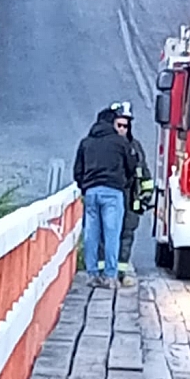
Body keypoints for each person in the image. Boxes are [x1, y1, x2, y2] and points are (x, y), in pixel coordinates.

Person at [74, 106, 138, 288]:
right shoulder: (120, 143)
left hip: (91, 193)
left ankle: (92, 275)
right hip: (113, 192)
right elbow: (131, 166)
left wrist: (85, 186)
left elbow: (77, 171)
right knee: (112, 235)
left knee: (91, 235)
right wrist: (123, 182)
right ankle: (110, 276)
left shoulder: (86, 142)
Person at [96, 101, 154, 286]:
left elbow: (144, 174)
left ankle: (120, 273)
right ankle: (103, 273)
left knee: (126, 236)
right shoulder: (104, 146)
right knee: (106, 235)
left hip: (130, 200)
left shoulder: (135, 147)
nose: (122, 129)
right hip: (111, 197)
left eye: (126, 126)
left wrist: (145, 197)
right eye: (119, 125)